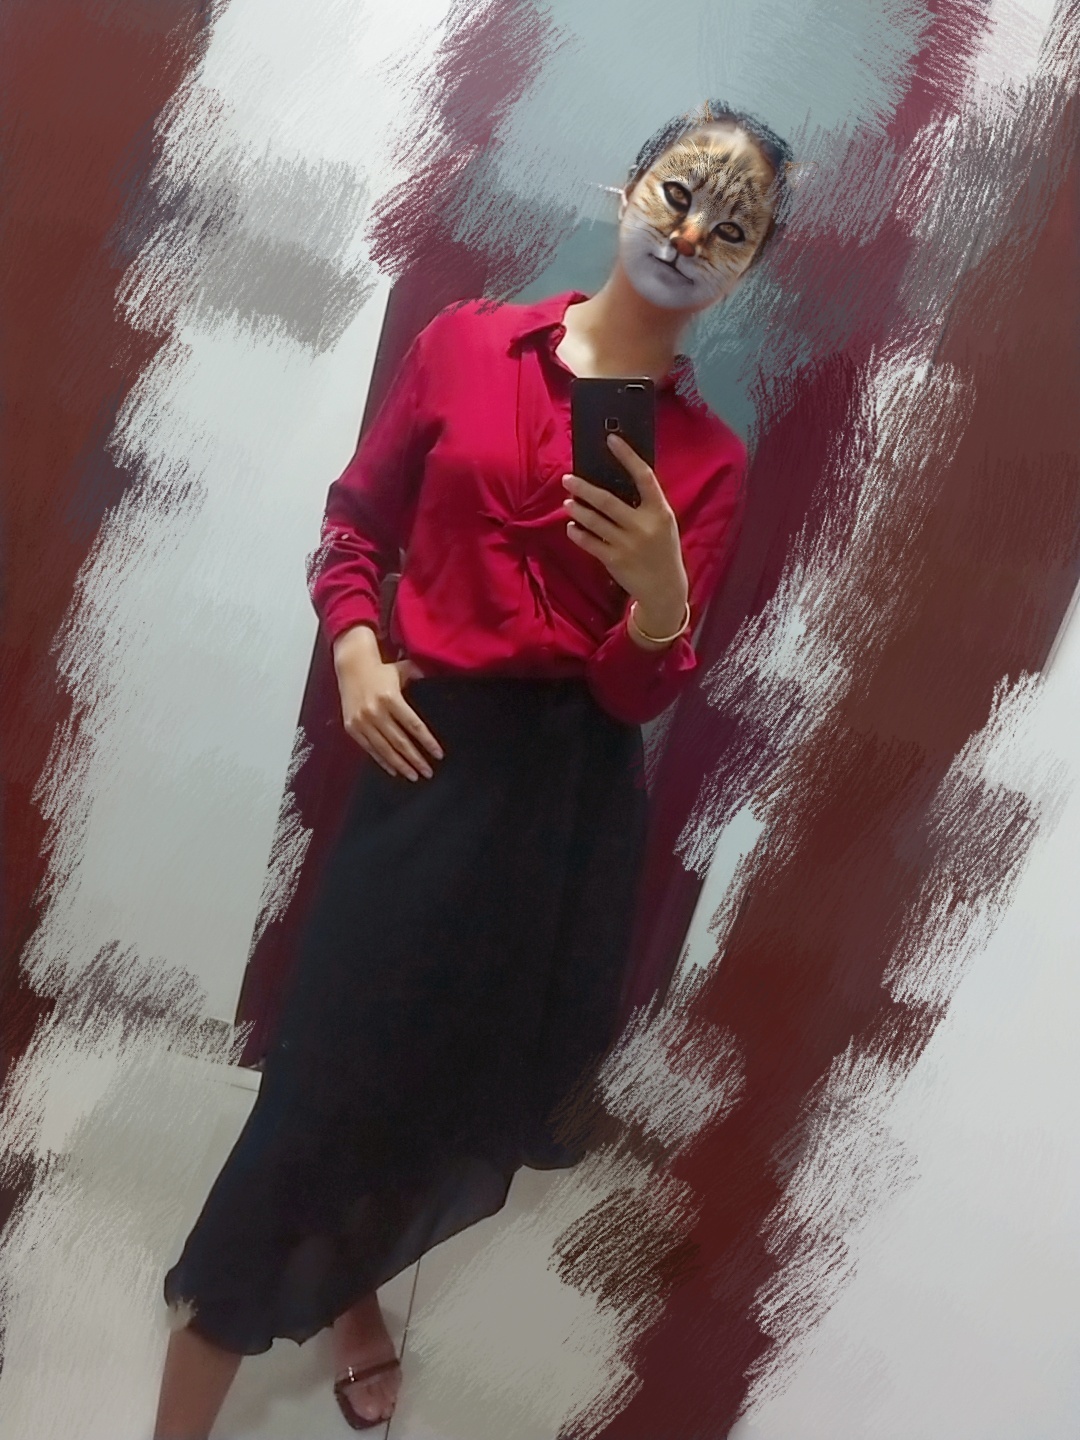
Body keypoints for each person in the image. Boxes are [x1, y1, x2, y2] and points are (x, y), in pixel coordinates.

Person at [152, 100, 792, 1437]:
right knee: (325, 1082)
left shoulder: (710, 463)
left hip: (569, 810)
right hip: (430, 756)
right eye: (680, 193)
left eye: (731, 228)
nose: (691, 235)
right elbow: (355, 523)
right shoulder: (466, 347)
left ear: (748, 269)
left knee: (449, 1084)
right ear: (629, 185)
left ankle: (352, 1291)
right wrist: (356, 650)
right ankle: (196, 1382)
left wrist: (660, 595)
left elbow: (633, 695)